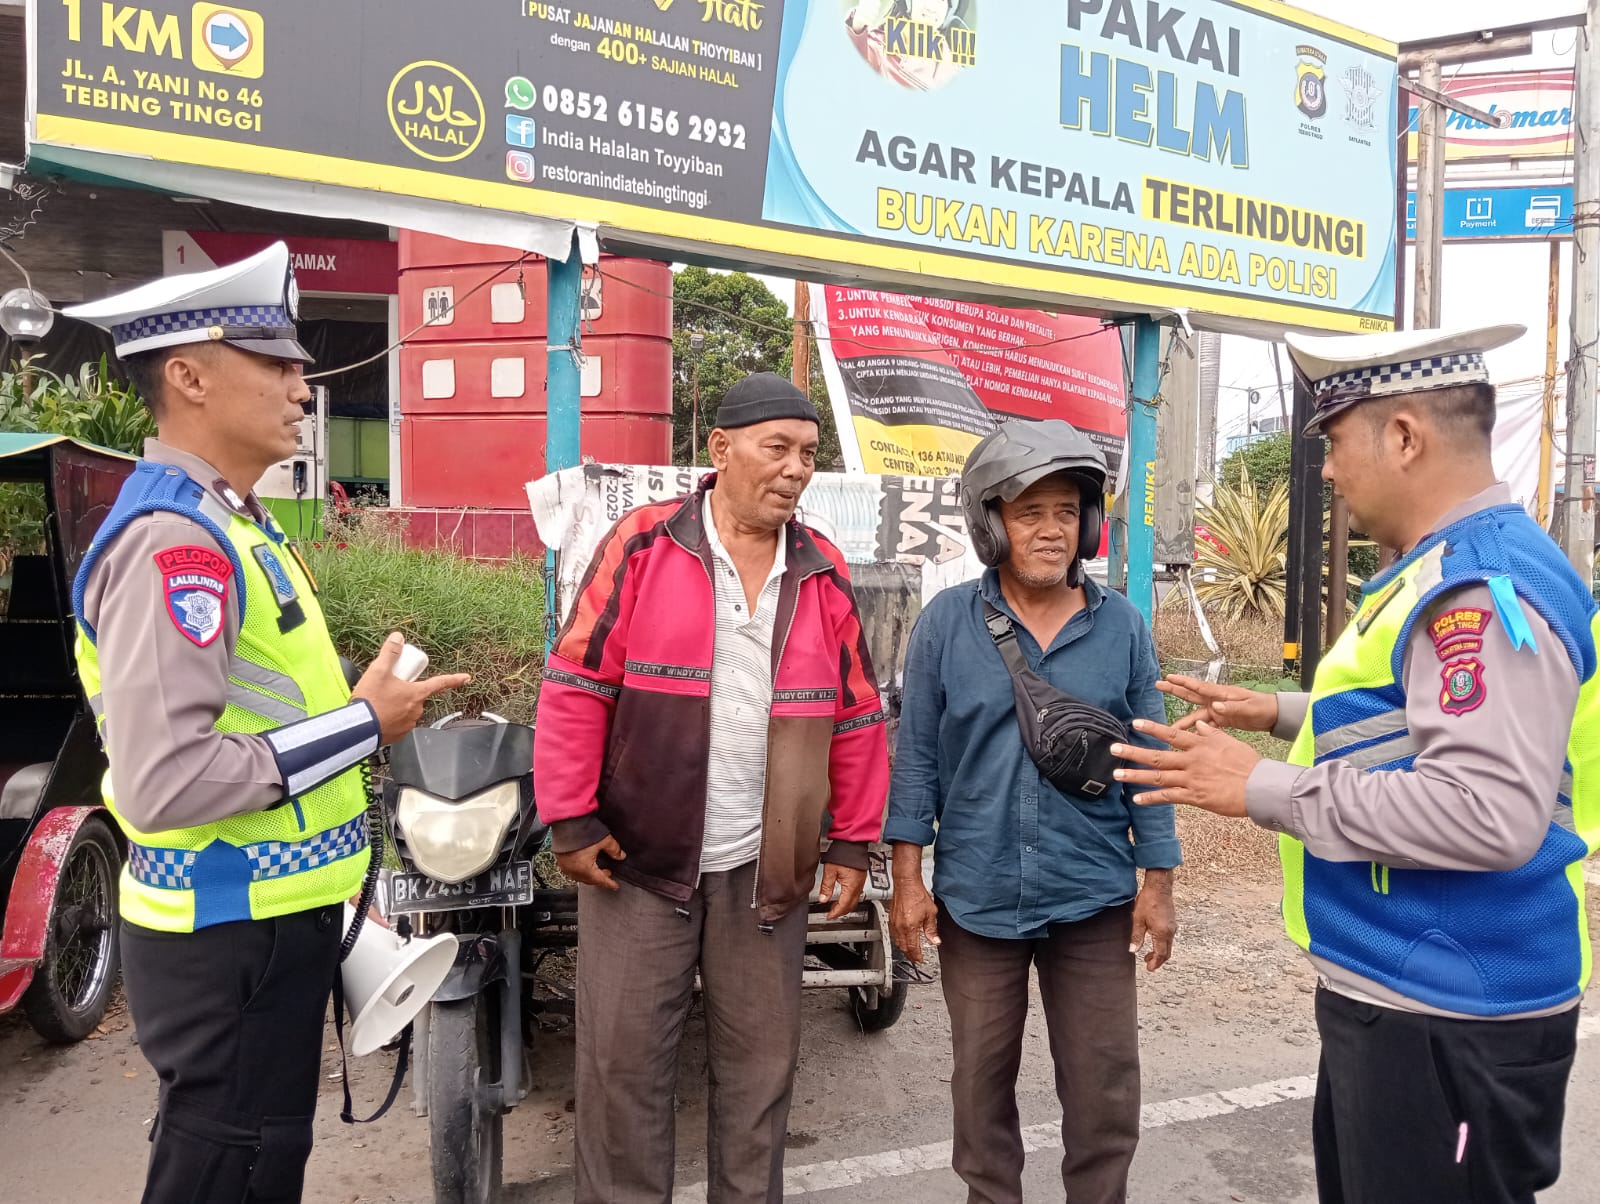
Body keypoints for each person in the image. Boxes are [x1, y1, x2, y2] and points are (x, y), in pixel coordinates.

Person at [1114, 324, 1594, 1204]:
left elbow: (1487, 811)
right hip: (1414, 989)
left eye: (1335, 442)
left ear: (1404, 437)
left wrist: (1260, 785)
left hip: (1448, 1006)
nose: (1328, 471)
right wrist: (1277, 711)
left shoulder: (1480, 590)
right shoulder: (1450, 568)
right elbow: (1421, 717)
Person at [64, 243, 468, 1204]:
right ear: (188, 377)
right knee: (230, 1165)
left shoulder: (237, 522)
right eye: (275, 362)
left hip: (269, 923)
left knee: (257, 1158)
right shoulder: (176, 544)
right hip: (225, 935)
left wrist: (353, 724)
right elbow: (166, 781)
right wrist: (364, 723)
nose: (302, 385)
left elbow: (270, 712)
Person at [532, 372, 890, 1204]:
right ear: (721, 449)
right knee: (622, 1075)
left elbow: (858, 713)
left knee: (760, 1076)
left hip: (768, 866)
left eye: (809, 454)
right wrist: (571, 817)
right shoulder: (645, 543)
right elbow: (578, 682)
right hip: (639, 861)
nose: (796, 469)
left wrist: (850, 839)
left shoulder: (821, 567)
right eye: (778, 448)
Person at [886, 420, 1181, 1204]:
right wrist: (907, 881)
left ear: (1089, 524)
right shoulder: (946, 623)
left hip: (1093, 896)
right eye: (1030, 513)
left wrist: (1158, 883)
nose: (1052, 530)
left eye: (1067, 512)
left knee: (1105, 1088)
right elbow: (916, 758)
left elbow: (1149, 762)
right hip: (978, 898)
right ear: (992, 524)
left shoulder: (1121, 627)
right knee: (980, 1085)